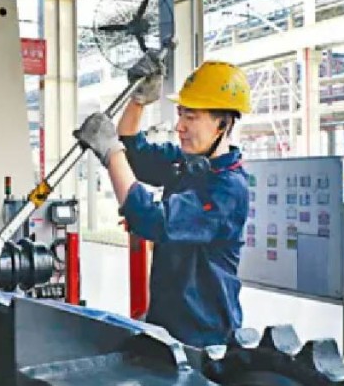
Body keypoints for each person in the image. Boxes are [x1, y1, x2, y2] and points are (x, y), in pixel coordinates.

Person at [74, 55, 252, 347]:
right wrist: (138, 101)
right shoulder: (187, 163)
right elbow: (135, 155)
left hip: (204, 336)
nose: (179, 126)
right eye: (181, 114)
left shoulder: (228, 189)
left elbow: (154, 221)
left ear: (223, 124)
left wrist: (110, 153)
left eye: (191, 117)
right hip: (167, 324)